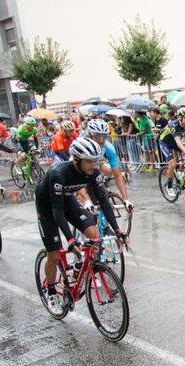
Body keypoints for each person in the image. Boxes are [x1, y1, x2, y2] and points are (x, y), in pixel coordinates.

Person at [36, 137, 126, 313]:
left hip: (68, 198)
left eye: (96, 161)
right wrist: (70, 239)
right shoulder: (58, 173)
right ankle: (52, 290)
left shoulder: (94, 172)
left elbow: (104, 201)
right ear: (77, 160)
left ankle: (80, 267)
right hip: (48, 205)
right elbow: (57, 211)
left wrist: (118, 230)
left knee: (95, 236)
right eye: (90, 161)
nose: (94, 165)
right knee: (54, 255)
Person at [83, 119, 132, 208]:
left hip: (97, 161)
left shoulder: (108, 147)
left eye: (104, 136)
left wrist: (126, 199)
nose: (101, 140)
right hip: (82, 166)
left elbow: (117, 175)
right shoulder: (84, 144)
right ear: (90, 135)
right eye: (97, 136)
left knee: (103, 173)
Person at [159, 106, 185, 197]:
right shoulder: (174, 125)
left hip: (175, 142)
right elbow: (178, 141)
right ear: (180, 118)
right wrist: (184, 150)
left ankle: (181, 171)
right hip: (165, 142)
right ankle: (169, 186)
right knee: (172, 163)